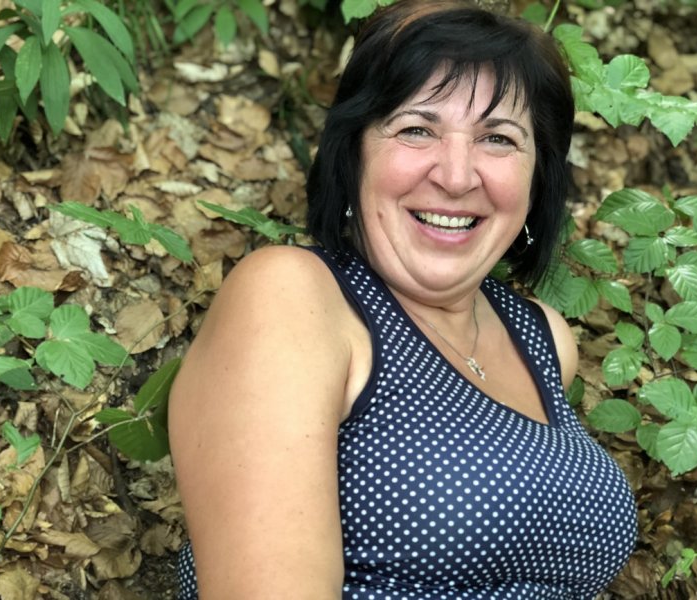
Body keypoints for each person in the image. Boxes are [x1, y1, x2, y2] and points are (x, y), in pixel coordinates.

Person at [168, 0, 638, 597]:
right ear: (354, 152)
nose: (457, 176)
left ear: (536, 176)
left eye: (498, 138)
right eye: (417, 129)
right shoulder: (294, 298)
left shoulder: (544, 338)